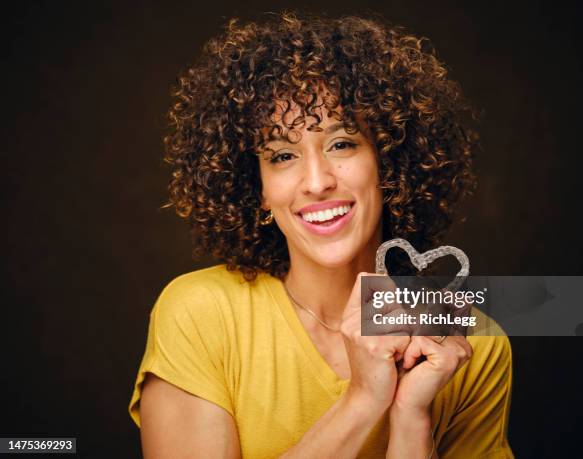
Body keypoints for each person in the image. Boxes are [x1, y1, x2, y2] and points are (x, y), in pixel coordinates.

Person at [128, 11, 514, 458]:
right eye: (282, 155)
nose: (316, 181)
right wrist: (363, 400)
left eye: (342, 143)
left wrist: (410, 419)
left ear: (389, 162)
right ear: (260, 191)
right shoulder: (200, 314)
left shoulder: (469, 343)